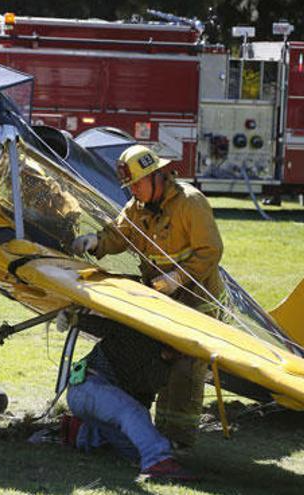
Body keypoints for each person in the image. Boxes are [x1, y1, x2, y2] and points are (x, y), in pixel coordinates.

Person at [70, 144, 226, 448]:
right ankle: (153, 434)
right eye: (130, 187)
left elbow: (212, 251)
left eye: (138, 184)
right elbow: (118, 235)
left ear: (157, 176)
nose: (135, 192)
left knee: (185, 370)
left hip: (198, 304)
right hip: (165, 303)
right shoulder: (137, 208)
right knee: (160, 364)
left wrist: (178, 277)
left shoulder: (190, 204)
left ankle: (177, 443)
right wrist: (95, 242)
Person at [63, 313, 196, 481]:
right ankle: (158, 462)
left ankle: (81, 432)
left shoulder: (163, 370)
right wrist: (74, 319)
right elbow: (108, 327)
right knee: (134, 413)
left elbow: (142, 400)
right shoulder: (140, 335)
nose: (183, 356)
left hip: (91, 398)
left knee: (134, 449)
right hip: (90, 385)